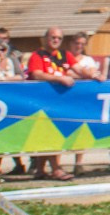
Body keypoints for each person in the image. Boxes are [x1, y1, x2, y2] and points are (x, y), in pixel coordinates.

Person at [26, 29, 75, 180]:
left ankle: (40, 169)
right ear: (45, 38)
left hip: (57, 102)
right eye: (52, 37)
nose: (56, 40)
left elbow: (78, 68)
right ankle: (56, 169)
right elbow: (37, 74)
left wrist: (93, 74)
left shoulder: (65, 55)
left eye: (59, 38)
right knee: (49, 133)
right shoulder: (37, 55)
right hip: (39, 102)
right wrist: (60, 79)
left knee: (49, 134)